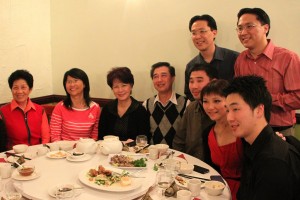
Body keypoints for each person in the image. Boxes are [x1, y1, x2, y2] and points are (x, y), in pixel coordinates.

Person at [225, 75, 300, 200]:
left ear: (259, 110)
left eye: (235, 109)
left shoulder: (273, 160)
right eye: (227, 110)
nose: (229, 118)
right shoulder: (252, 144)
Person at [234, 7, 300, 136]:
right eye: (240, 28)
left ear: (266, 28)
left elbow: (298, 96)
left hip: (280, 130)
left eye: (249, 26)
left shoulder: (288, 58)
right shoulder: (240, 59)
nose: (243, 32)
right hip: (249, 129)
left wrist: (266, 99)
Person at [201, 79, 242, 200]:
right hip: (217, 190)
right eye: (205, 101)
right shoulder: (207, 133)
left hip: (245, 190)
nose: (210, 107)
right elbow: (210, 169)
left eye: (217, 101)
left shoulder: (242, 130)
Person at [185, 14, 239, 100]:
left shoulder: (234, 58)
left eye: (202, 31)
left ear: (214, 33)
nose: (198, 36)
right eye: (194, 33)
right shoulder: (191, 65)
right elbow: (190, 95)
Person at [173, 64, 217, 159]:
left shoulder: (223, 109)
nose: (194, 86)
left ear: (213, 82)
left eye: (199, 81)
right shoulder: (191, 108)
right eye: (191, 81)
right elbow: (179, 140)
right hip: (192, 166)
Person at [0, 70, 50, 150]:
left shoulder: (40, 110)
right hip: (13, 157)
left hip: (37, 154)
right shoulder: (2, 112)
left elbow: (45, 138)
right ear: (11, 90)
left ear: (30, 89)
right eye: (15, 88)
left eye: (23, 87)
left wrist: (43, 152)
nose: (19, 91)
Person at [143, 62, 189, 147]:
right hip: (153, 155)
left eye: (164, 75)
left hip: (177, 156)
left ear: (172, 78)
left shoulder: (186, 103)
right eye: (155, 76)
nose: (159, 80)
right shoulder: (147, 104)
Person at [98, 67, 150, 142]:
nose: (120, 90)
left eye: (124, 85)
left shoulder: (140, 110)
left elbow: (143, 139)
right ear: (112, 89)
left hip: (133, 152)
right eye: (116, 87)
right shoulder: (107, 109)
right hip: (110, 151)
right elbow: (101, 137)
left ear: (131, 86)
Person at [50, 68, 100, 141]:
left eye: (75, 81)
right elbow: (55, 135)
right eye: (69, 82)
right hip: (64, 149)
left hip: (86, 149)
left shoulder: (95, 108)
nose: (72, 84)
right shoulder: (60, 107)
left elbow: (95, 135)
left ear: (84, 84)